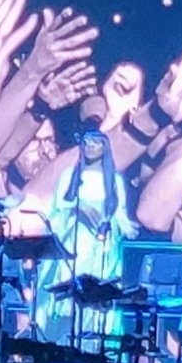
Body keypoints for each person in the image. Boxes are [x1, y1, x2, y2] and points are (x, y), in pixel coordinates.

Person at [37, 127, 139, 345]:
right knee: (68, 300)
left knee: (94, 297)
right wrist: (79, 207)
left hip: (98, 247)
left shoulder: (114, 181)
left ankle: (91, 344)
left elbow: (118, 213)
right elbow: (58, 208)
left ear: (105, 148)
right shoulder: (68, 176)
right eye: (87, 142)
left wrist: (115, 224)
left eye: (96, 143)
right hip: (73, 242)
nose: (90, 147)